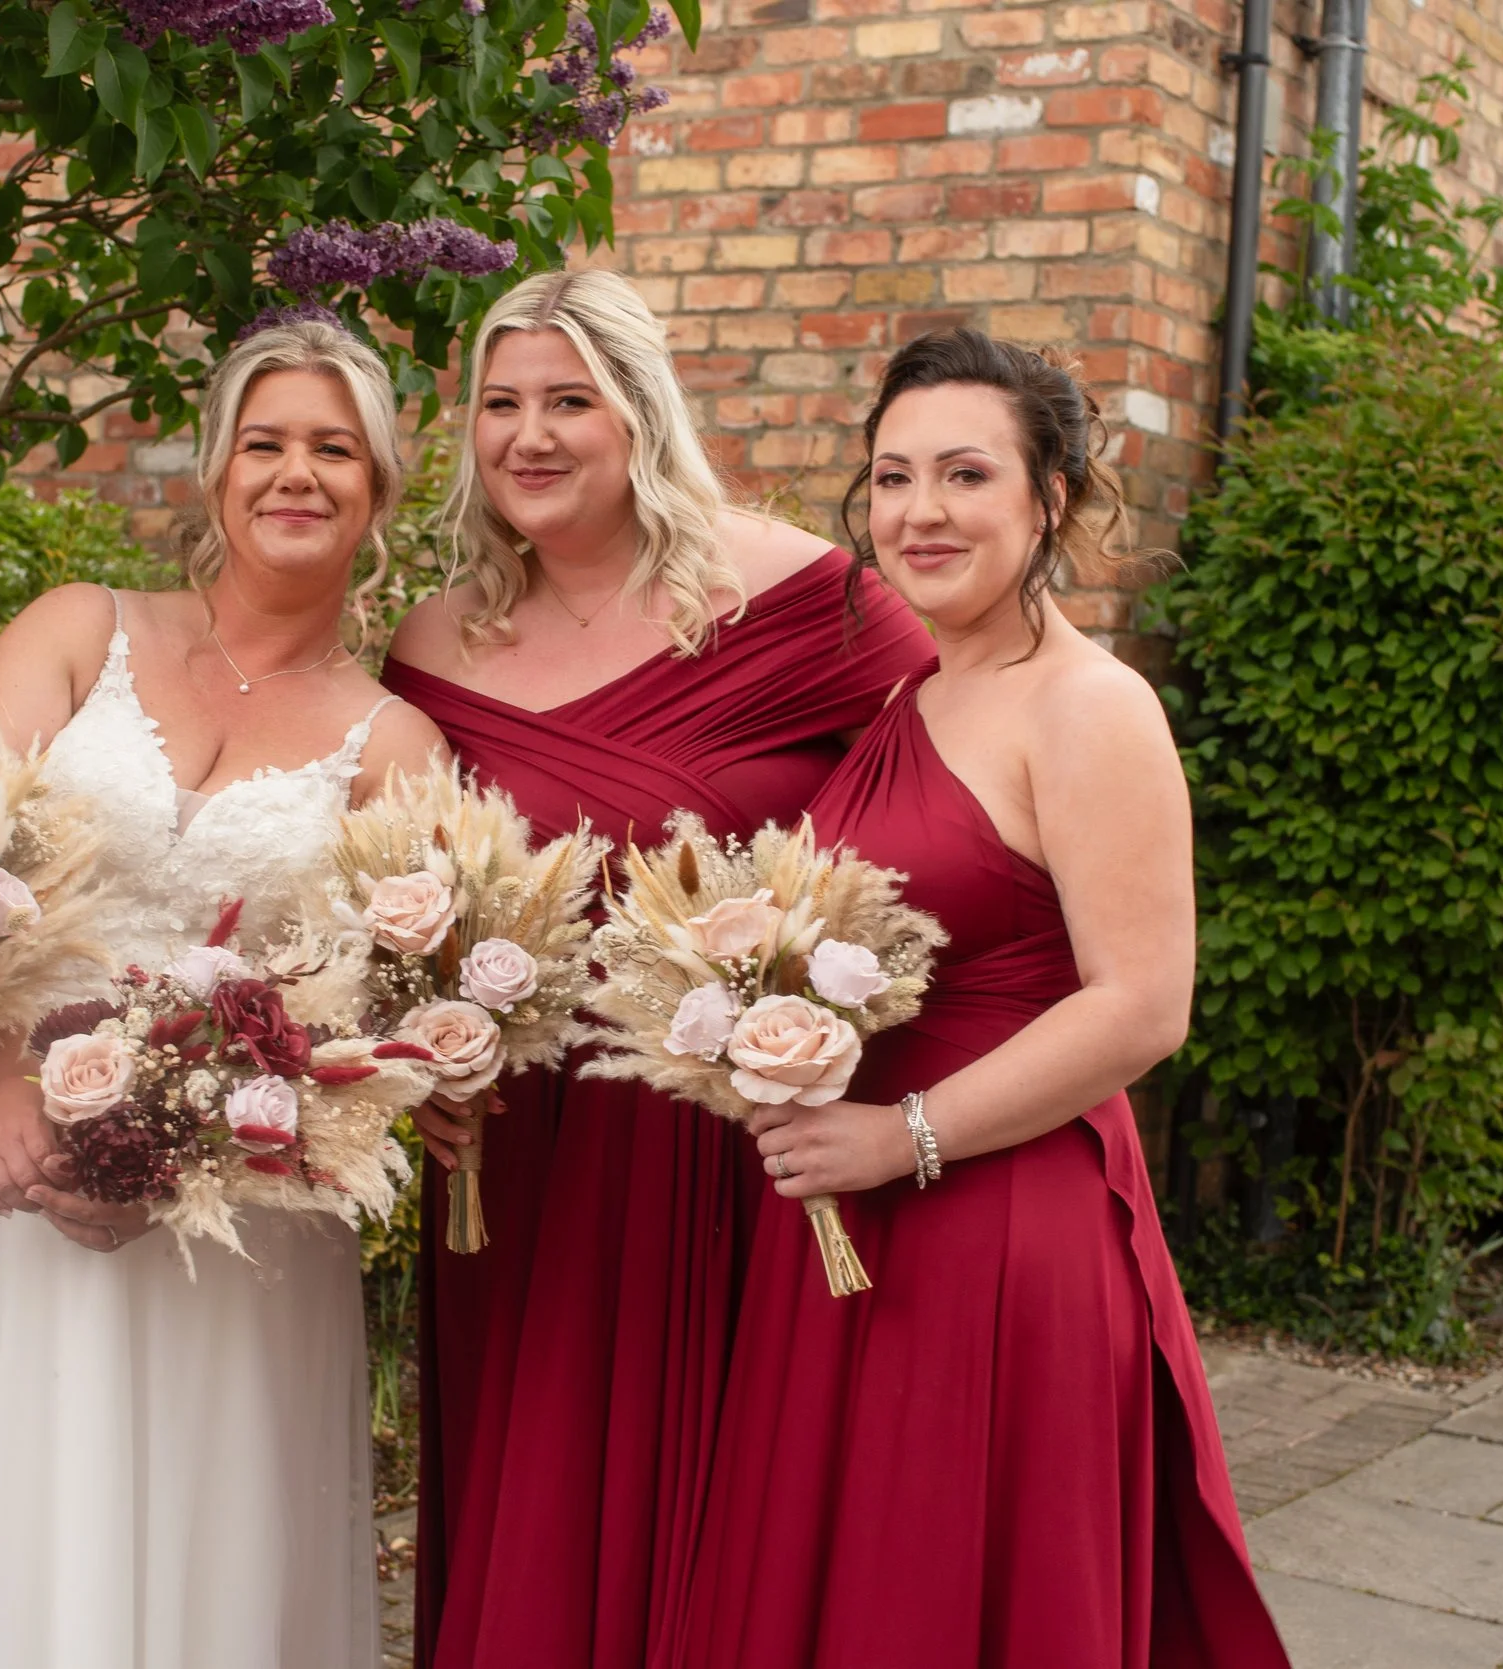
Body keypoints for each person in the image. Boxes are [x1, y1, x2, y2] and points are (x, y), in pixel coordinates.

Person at [0, 316, 447, 1669]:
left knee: (196, 1569)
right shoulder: (82, 630)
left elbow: (373, 1025)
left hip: (224, 1226)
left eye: (333, 450)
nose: (294, 474)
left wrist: (188, 1150)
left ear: (378, 490)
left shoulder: (400, 744)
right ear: (213, 474)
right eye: (264, 443)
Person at [655, 328, 1289, 1668]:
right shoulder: (914, 689)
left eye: (964, 476)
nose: (920, 513)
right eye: (892, 479)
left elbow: (1142, 1006)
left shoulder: (1089, 710)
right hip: (849, 1224)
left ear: (1048, 498)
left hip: (997, 1227)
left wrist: (904, 1135)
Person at [382, 268, 931, 1669]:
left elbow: (952, 801)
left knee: (723, 1521)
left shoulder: (810, 598)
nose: (531, 435)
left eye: (572, 400)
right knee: (536, 1505)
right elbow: (401, 894)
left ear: (642, 412)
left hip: (728, 1148)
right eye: (500, 405)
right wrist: (409, 1067)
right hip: (520, 1155)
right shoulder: (437, 641)